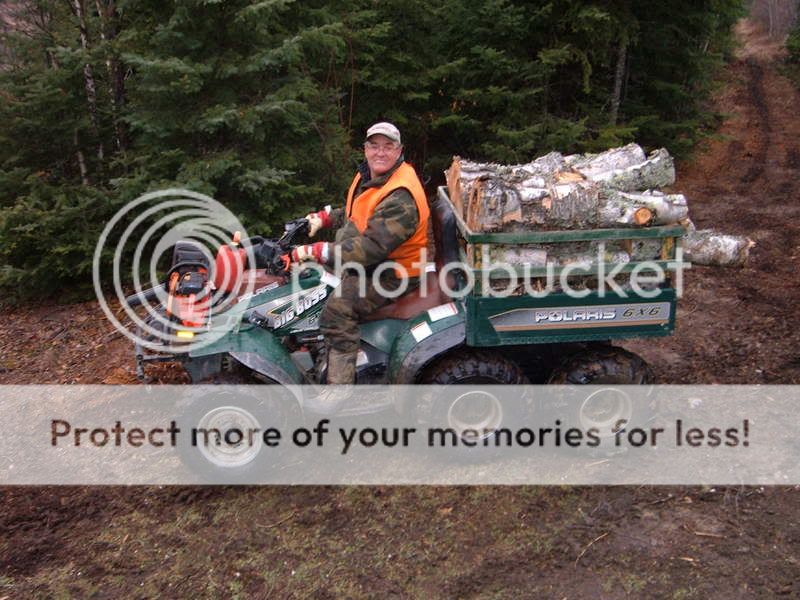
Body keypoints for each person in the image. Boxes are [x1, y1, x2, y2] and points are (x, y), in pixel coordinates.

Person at [290, 122, 429, 412]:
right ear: (365, 149)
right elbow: (358, 212)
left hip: (396, 271)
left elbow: (370, 249)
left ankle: (340, 388)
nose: (380, 152)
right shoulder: (373, 176)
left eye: (388, 146)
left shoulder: (401, 194)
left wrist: (319, 250)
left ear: (399, 151)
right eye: (374, 145)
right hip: (375, 262)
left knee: (337, 309)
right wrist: (325, 218)